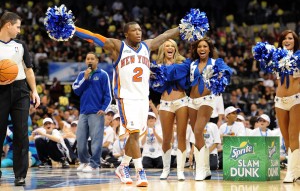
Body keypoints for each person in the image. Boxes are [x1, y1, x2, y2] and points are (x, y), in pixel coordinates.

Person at [74, 21, 180, 187]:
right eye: (134, 30)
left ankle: (122, 166)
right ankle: (140, 171)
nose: (138, 32)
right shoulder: (118, 47)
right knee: (134, 132)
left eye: (140, 29)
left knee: (135, 135)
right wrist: (73, 29)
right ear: (126, 34)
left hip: (143, 98)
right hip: (126, 98)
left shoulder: (147, 45)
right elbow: (93, 37)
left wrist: (183, 27)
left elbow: (166, 35)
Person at [0, 11, 40, 186]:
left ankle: (20, 175)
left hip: (20, 90)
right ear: (8, 25)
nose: (19, 30)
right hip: (0, 90)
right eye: (17, 26)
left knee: (22, 133)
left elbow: (29, 69)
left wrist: (35, 91)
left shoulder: (21, 45)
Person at [188, 37, 232, 180]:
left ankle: (200, 169)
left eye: (205, 46)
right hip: (192, 101)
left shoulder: (215, 62)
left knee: (198, 130)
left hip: (207, 100)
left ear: (209, 49)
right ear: (196, 49)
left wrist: (223, 75)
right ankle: (205, 168)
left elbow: (227, 71)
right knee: (197, 134)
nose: (202, 49)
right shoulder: (192, 64)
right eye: (199, 47)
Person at [150, 39, 189, 180]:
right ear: (163, 49)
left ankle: (180, 170)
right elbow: (154, 85)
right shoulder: (156, 66)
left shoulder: (182, 62)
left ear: (176, 49)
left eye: (173, 45)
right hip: (165, 102)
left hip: (182, 101)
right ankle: (166, 169)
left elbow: (184, 80)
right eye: (167, 45)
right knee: (167, 138)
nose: (170, 47)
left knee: (181, 136)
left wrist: (163, 72)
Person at [72, 52, 112, 173]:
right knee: (80, 140)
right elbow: (76, 91)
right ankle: (84, 162)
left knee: (96, 140)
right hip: (83, 112)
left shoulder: (103, 75)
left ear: (97, 61)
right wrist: (85, 78)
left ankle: (94, 164)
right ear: (85, 61)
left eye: (92, 59)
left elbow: (108, 95)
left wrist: (104, 109)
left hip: (97, 112)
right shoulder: (81, 75)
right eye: (88, 58)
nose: (90, 60)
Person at [274, 30, 300, 183]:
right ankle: (296, 170)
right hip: (279, 100)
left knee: (293, 134)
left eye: (290, 38)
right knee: (286, 138)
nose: (287, 40)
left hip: (297, 99)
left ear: (295, 41)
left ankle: (290, 172)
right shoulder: (276, 57)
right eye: (284, 38)